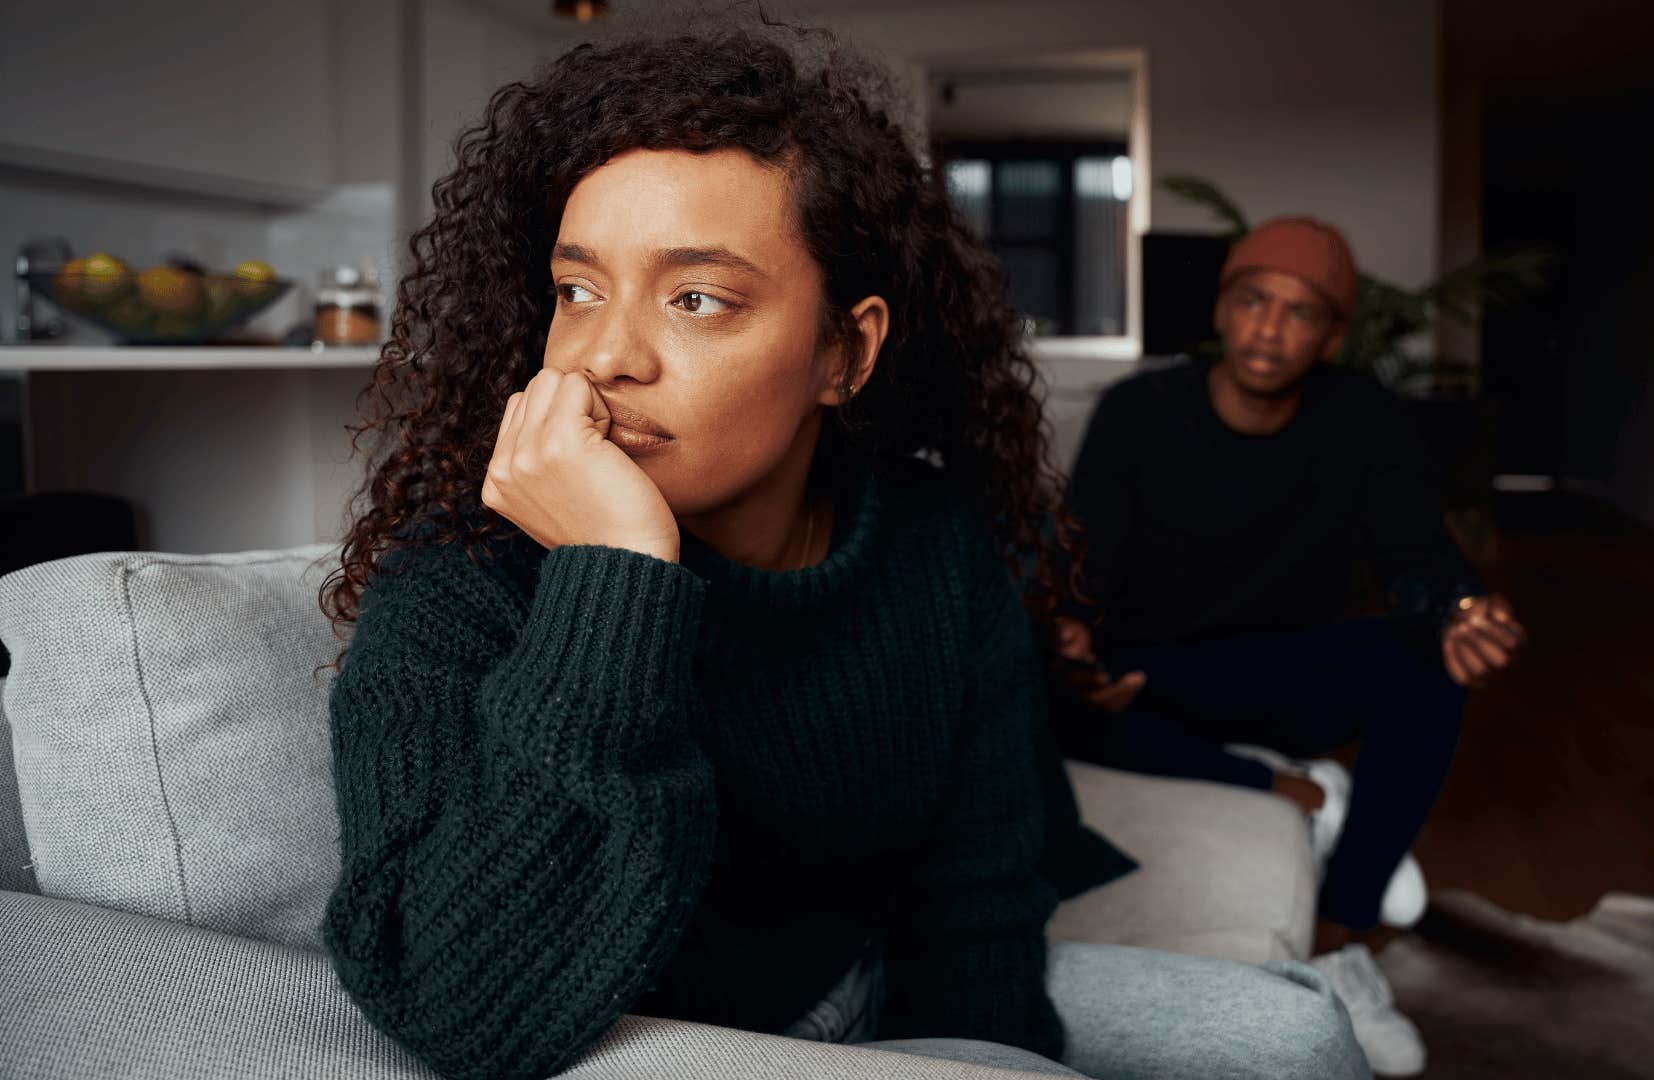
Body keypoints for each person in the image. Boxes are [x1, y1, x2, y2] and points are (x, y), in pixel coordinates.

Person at [318, 22, 1367, 1080]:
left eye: (697, 299)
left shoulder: (933, 549)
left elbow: (978, 894)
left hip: (867, 984)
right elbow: (456, 1003)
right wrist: (616, 581)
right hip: (652, 1036)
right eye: (577, 290)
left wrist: (983, 1061)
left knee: (1301, 1035)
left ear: (844, 352)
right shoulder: (457, 572)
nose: (603, 357)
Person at [1055, 216, 1527, 1073]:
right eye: (1252, 301)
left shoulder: (1362, 421)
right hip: (1156, 668)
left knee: (1422, 667)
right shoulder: (1140, 410)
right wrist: (1072, 641)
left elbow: (1415, 559)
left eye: (1299, 313)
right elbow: (1082, 563)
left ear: (1333, 334)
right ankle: (1292, 789)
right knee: (1034, 690)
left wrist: (1458, 607)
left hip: (1286, 663)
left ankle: (1338, 938)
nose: (1269, 328)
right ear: (1222, 309)